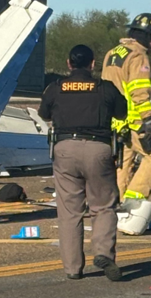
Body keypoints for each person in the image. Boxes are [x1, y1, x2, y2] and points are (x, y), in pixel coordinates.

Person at [39, 45, 127, 281]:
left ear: (69, 64)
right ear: (93, 64)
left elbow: (43, 113)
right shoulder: (105, 88)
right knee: (103, 206)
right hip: (99, 149)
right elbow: (122, 112)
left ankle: (73, 268)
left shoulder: (55, 88)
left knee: (69, 211)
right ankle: (103, 253)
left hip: (65, 150)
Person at [102, 13, 151, 205]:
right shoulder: (138, 56)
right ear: (145, 36)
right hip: (135, 120)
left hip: (116, 122)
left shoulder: (112, 54)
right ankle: (134, 201)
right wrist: (149, 120)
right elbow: (139, 91)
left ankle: (116, 204)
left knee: (123, 162)